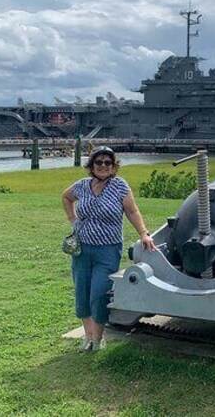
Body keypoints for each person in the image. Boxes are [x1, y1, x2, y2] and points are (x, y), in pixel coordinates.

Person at [61, 146, 156, 352]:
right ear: (91, 166)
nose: (103, 166)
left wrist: (143, 233)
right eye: (99, 162)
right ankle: (87, 336)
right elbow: (66, 197)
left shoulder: (119, 186)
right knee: (82, 292)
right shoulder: (83, 186)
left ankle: (98, 338)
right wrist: (73, 220)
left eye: (108, 163)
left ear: (113, 166)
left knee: (99, 293)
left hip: (107, 249)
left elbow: (131, 210)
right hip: (82, 249)